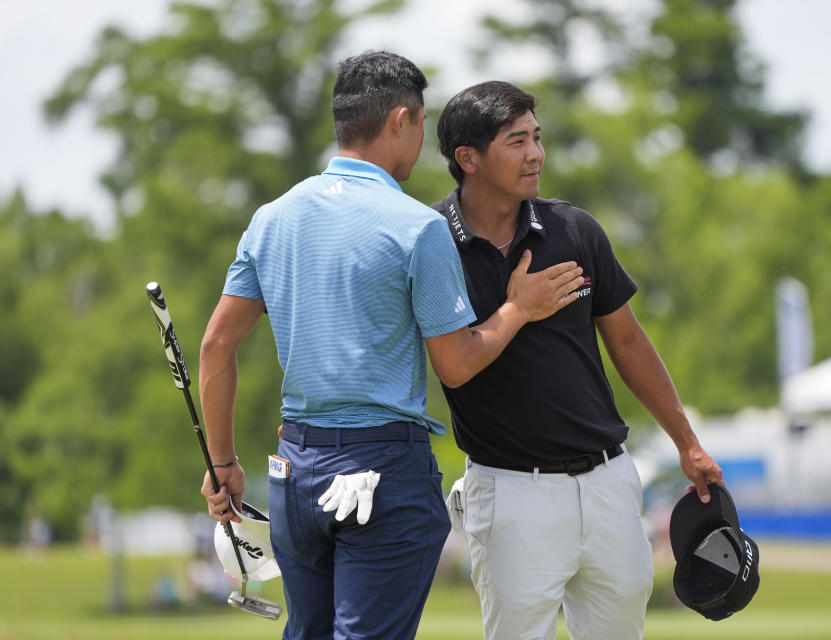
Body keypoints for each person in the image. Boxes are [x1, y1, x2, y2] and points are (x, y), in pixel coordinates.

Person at [197, 54, 585, 640]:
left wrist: (223, 463)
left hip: (294, 472)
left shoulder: (271, 218)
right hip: (381, 473)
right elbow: (456, 365)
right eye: (422, 123)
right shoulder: (416, 227)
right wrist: (518, 309)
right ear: (401, 119)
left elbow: (216, 346)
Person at [433, 81, 724, 640]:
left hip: (609, 483)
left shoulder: (573, 230)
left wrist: (686, 442)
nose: (536, 154)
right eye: (516, 141)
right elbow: (453, 364)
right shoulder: (431, 242)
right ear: (467, 158)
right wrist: (520, 308)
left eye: (537, 138)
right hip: (510, 493)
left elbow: (629, 343)